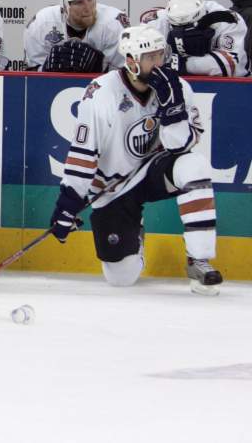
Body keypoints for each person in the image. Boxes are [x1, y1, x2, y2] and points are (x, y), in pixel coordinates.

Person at [48, 25, 222, 294]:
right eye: (150, 58)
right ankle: (134, 236)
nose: (158, 63)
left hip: (153, 171)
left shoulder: (177, 87)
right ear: (131, 61)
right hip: (114, 188)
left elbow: (181, 146)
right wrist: (68, 203)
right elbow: (83, 155)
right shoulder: (100, 93)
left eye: (160, 55)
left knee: (193, 165)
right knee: (121, 278)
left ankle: (199, 260)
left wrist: (173, 110)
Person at [23, 0, 127, 72]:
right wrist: (46, 68)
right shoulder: (41, 24)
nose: (88, 8)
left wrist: (101, 66)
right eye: (79, 2)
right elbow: (31, 75)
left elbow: (125, 76)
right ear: (64, 6)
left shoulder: (113, 24)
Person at [146, 0, 248, 78]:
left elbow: (230, 66)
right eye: (177, 26)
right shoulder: (160, 21)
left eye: (188, 25)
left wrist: (180, 64)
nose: (182, 32)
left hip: (229, 86)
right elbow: (139, 58)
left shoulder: (226, 19)